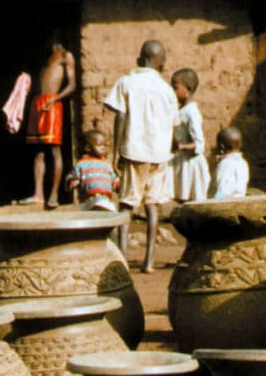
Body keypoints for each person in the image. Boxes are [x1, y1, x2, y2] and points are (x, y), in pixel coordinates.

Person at [104, 39, 179, 273]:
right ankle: (149, 262)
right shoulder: (167, 90)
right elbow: (173, 125)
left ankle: (123, 259)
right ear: (162, 65)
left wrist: (116, 151)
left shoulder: (127, 82)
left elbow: (121, 117)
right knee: (152, 205)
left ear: (139, 59)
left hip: (135, 152)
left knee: (126, 204)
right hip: (159, 154)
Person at [16, 41, 76, 210]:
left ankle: (54, 195)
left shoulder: (65, 56)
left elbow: (72, 85)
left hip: (52, 104)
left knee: (54, 150)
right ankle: (38, 194)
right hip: (38, 104)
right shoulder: (42, 59)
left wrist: (55, 99)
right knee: (38, 152)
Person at [169, 68, 210, 203]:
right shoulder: (181, 110)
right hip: (183, 162)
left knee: (192, 201)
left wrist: (180, 146)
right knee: (182, 200)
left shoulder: (192, 112)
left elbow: (199, 144)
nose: (172, 92)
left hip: (191, 164)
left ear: (188, 88)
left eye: (175, 88)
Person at [67, 129, 119, 211]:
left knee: (111, 213)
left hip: (104, 198)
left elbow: (113, 178)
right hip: (87, 200)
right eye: (100, 145)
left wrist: (118, 184)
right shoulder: (81, 164)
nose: (103, 148)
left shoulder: (107, 164)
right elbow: (73, 176)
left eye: (105, 146)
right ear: (88, 148)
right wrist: (72, 181)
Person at [210, 126, 250, 199]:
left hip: (226, 205)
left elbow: (223, 192)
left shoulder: (226, 165)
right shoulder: (243, 163)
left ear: (221, 146)